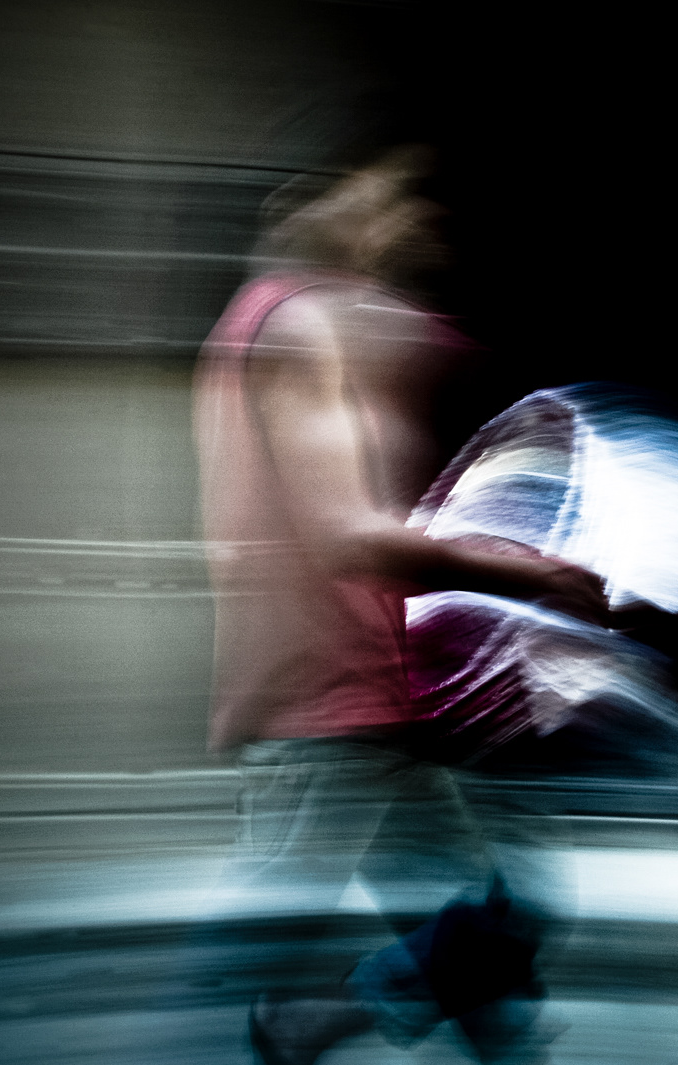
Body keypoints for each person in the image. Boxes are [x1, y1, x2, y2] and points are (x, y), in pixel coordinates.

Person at [192, 146, 606, 1065]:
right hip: (326, 713)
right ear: (312, 194)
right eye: (383, 198)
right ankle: (299, 1024)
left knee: (501, 931)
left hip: (372, 710)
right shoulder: (296, 326)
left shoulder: (320, 321)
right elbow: (349, 535)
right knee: (256, 944)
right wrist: (526, 572)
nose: (400, 224)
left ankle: (318, 1023)